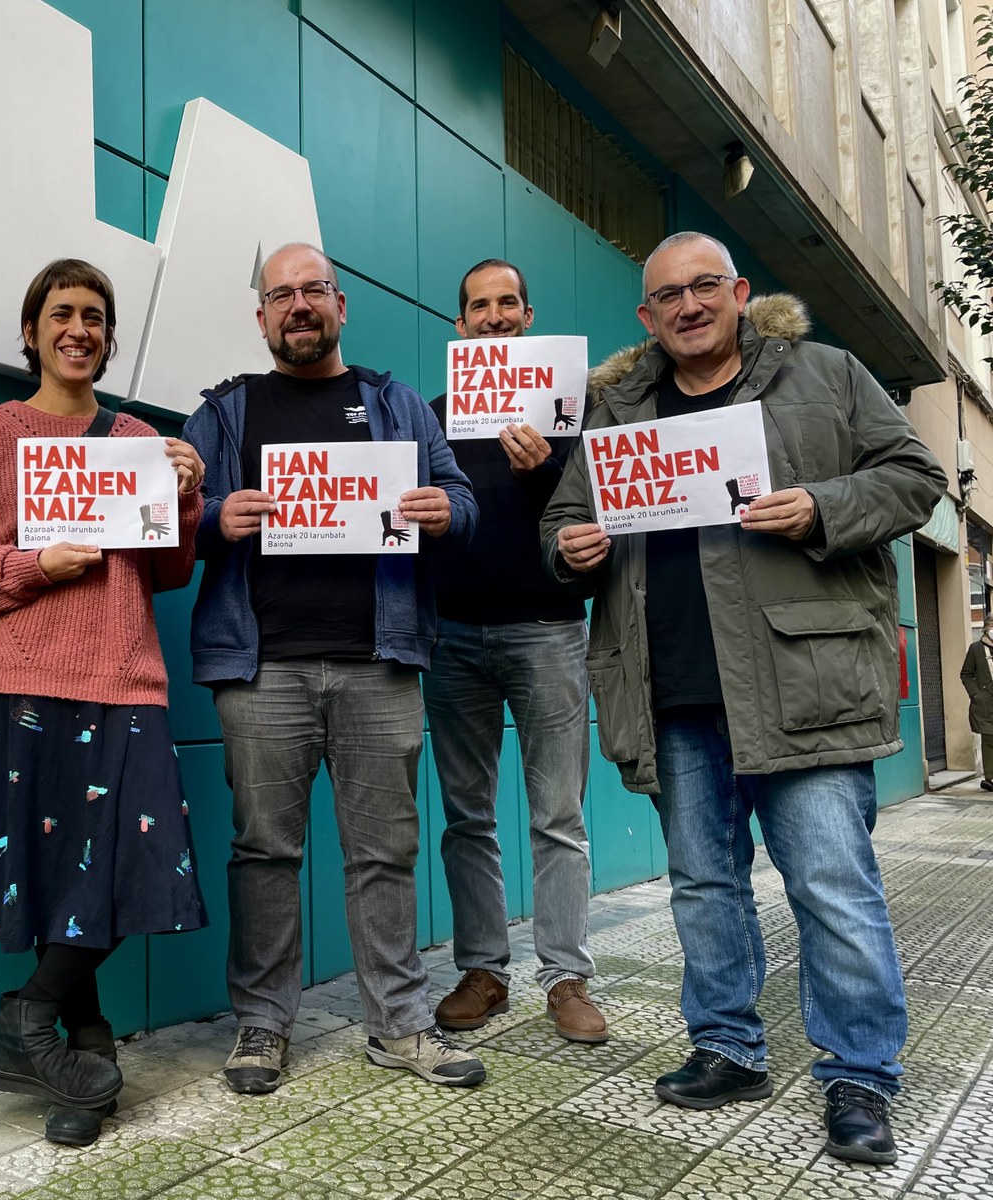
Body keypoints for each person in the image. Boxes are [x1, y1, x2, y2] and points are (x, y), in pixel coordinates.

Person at [542, 232, 945, 1165]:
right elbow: (563, 521)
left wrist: (822, 509)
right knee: (703, 884)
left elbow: (917, 479)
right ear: (646, 316)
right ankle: (726, 1046)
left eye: (704, 288)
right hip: (672, 688)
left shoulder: (827, 374)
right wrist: (568, 550)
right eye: (667, 296)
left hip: (799, 682)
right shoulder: (615, 409)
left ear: (738, 292)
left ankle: (859, 1073)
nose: (688, 306)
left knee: (832, 885)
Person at [0, 258, 208, 1147]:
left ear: (109, 337)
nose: (79, 328)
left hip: (125, 678)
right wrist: (28, 567)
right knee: (53, 881)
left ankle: (26, 1021)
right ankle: (83, 1050)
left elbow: (163, 570)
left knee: (128, 862)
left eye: (95, 316)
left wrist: (186, 499)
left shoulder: (137, 440)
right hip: (24, 683)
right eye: (62, 313)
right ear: (33, 331)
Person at [184, 241, 484, 1095]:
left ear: (341, 305)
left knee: (384, 852)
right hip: (262, 666)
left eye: (314, 290)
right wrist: (216, 519)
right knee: (264, 851)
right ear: (263, 317)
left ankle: (399, 1024)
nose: (299, 306)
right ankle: (263, 1025)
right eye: (282, 295)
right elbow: (172, 509)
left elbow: (461, 499)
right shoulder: (226, 411)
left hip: (379, 662)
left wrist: (442, 510)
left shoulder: (394, 405)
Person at [423, 260, 605, 1043]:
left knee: (557, 814)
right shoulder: (431, 418)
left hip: (550, 629)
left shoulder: (577, 415)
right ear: (460, 327)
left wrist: (551, 470)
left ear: (528, 315)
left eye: (507, 303)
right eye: (478, 307)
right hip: (451, 634)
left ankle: (565, 976)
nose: (494, 317)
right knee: (467, 817)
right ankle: (484, 970)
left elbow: (606, 512)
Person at [959, 616, 993, 791]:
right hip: (985, 703)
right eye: (991, 626)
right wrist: (976, 694)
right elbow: (966, 674)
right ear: (985, 629)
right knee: (989, 739)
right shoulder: (976, 649)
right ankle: (990, 778)